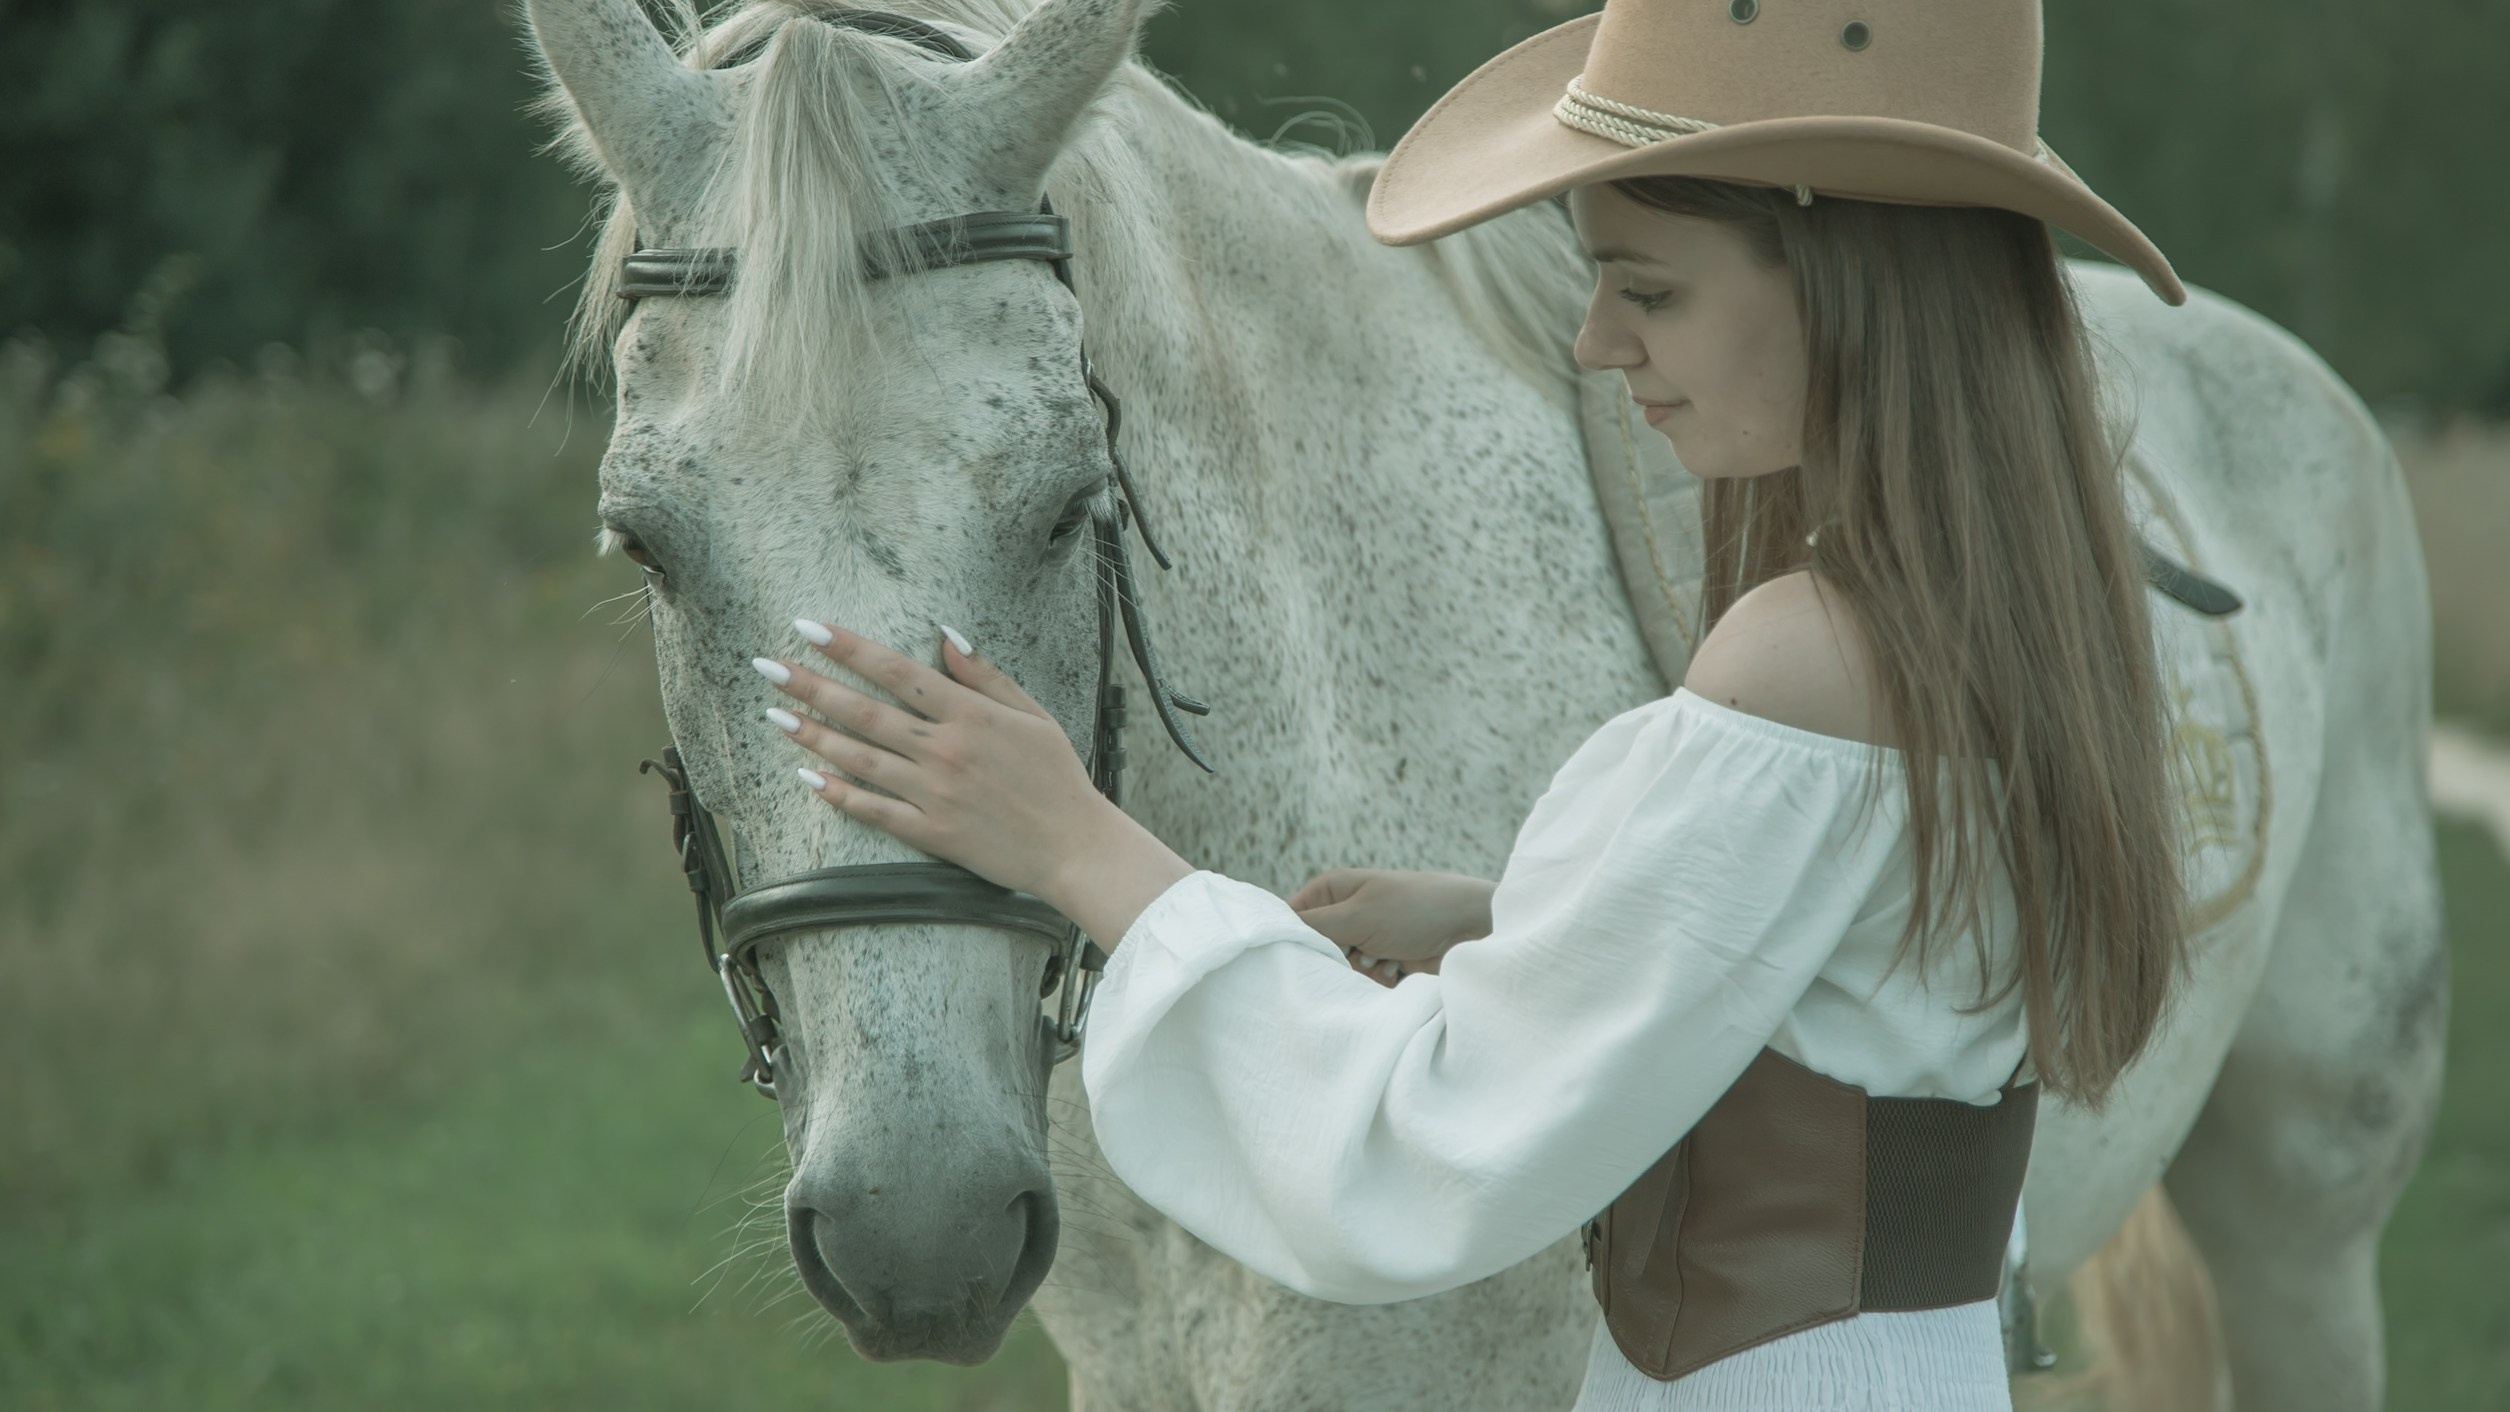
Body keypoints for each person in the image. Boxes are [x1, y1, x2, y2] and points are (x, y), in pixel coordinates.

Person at [750, 0, 2192, 1405]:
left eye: (1651, 289)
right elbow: (1867, 999)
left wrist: (1078, 846)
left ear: (1849, 280)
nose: (1596, 343)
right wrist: (1523, 923)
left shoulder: (1801, 661)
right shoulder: (1985, 621)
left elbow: (1427, 1148)